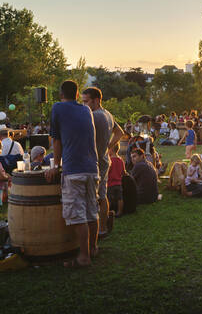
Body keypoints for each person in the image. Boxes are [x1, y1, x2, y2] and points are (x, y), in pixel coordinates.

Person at [45, 80, 100, 267]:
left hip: (73, 170)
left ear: (61, 94)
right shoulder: (86, 110)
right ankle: (93, 248)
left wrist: (55, 165)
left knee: (78, 215)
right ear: (77, 95)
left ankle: (83, 257)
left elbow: (57, 140)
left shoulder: (58, 108)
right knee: (92, 212)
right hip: (93, 169)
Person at [82, 87, 124, 237]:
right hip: (104, 159)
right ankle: (103, 228)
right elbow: (120, 133)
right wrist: (108, 146)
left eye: (86, 101)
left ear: (96, 100)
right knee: (102, 195)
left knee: (96, 196)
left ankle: (98, 229)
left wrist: (106, 147)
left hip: (96, 161)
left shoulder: (95, 116)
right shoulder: (108, 114)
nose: (84, 105)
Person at [107, 143, 125, 217]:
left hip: (110, 183)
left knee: (109, 199)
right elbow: (123, 172)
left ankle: (107, 211)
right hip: (119, 183)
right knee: (120, 198)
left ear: (111, 149)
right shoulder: (121, 160)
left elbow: (107, 171)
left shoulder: (110, 160)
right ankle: (119, 212)